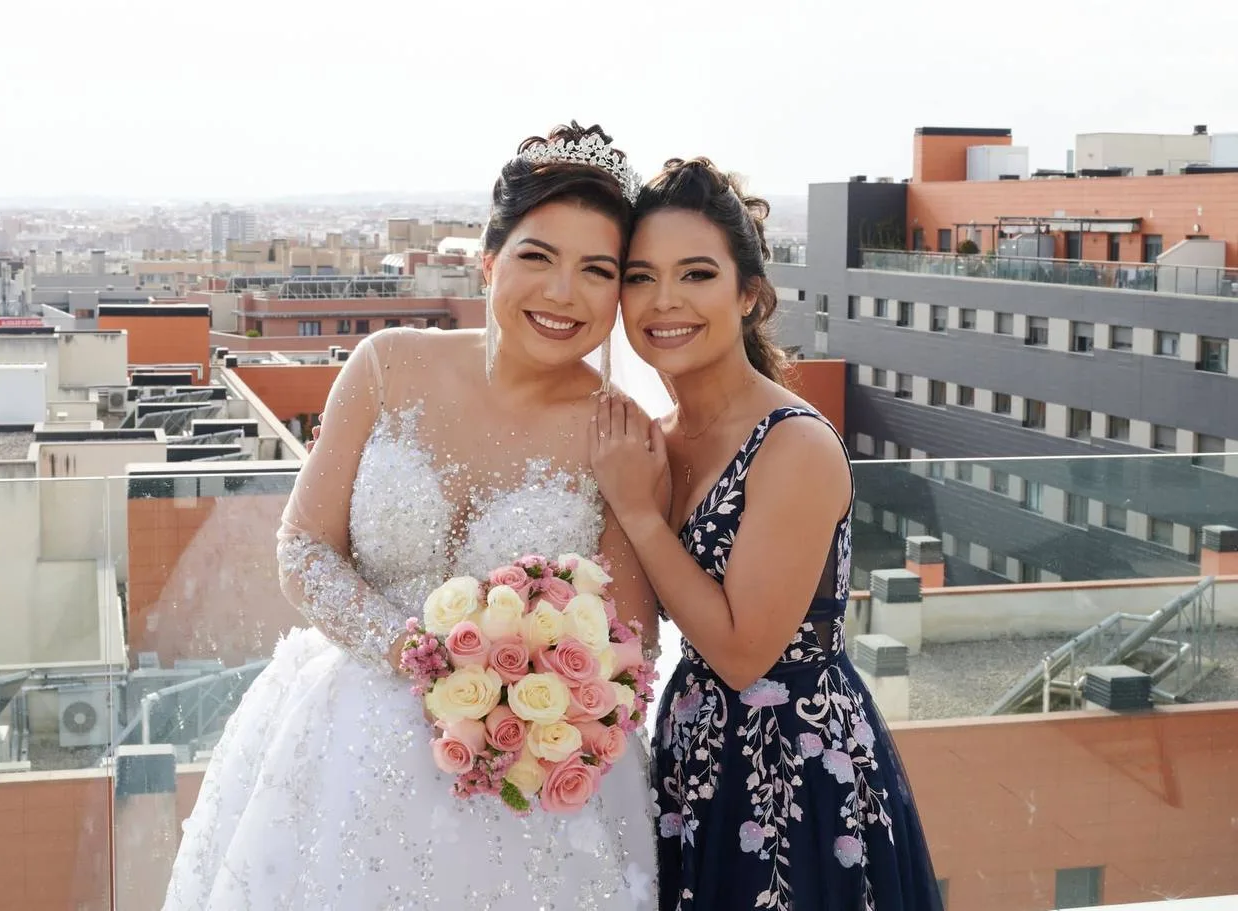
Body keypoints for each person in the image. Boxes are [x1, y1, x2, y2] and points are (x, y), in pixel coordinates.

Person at [163, 122, 660, 910]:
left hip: (523, 781)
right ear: (491, 260)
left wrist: (517, 698)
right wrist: (414, 651)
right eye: (538, 257)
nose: (564, 293)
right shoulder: (387, 365)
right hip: (341, 747)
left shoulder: (621, 430)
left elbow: (629, 642)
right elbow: (302, 548)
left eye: (596, 270)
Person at [589, 157, 943, 911]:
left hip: (801, 778)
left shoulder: (793, 445)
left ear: (748, 293)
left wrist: (640, 512)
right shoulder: (653, 441)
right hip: (695, 754)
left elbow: (746, 652)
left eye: (696, 274)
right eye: (642, 277)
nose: (665, 301)